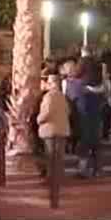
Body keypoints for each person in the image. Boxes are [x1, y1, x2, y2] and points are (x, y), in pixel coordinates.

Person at [37, 74, 70, 208]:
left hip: (50, 130)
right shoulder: (63, 96)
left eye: (48, 82)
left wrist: (38, 120)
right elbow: (68, 111)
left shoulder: (49, 96)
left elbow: (46, 113)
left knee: (50, 157)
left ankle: (52, 182)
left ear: (52, 84)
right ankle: (58, 180)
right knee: (59, 157)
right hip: (62, 130)